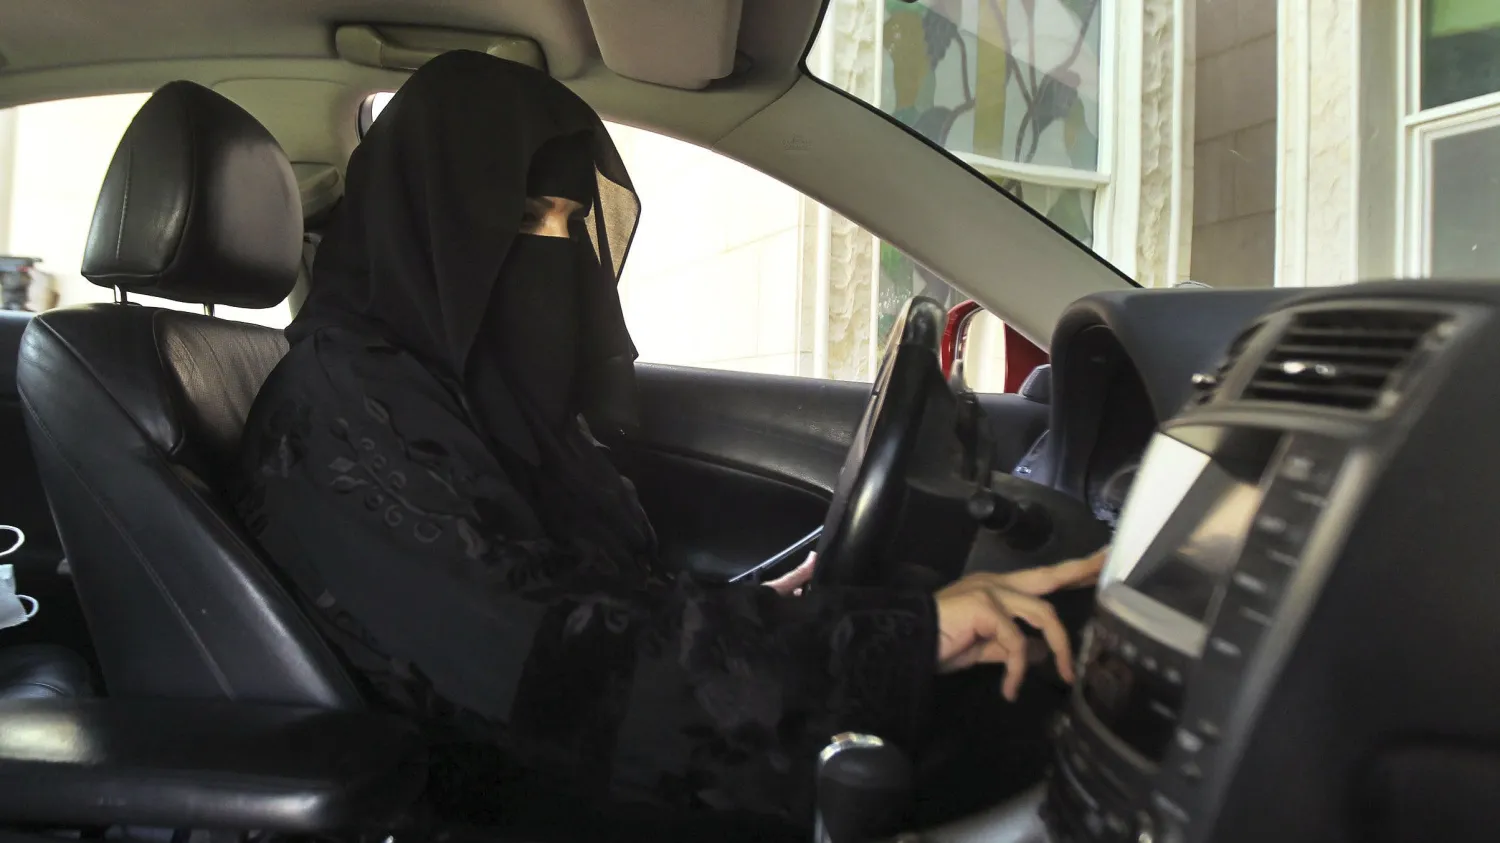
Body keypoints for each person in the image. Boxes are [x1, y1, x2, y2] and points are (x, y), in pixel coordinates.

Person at [235, 50, 1102, 834]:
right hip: (503, 802)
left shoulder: (457, 390)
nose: (561, 254)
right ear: (434, 220)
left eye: (574, 222)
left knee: (1019, 688)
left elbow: (590, 597)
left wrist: (790, 607)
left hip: (568, 760)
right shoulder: (341, 406)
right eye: (530, 217)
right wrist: (890, 640)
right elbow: (549, 663)